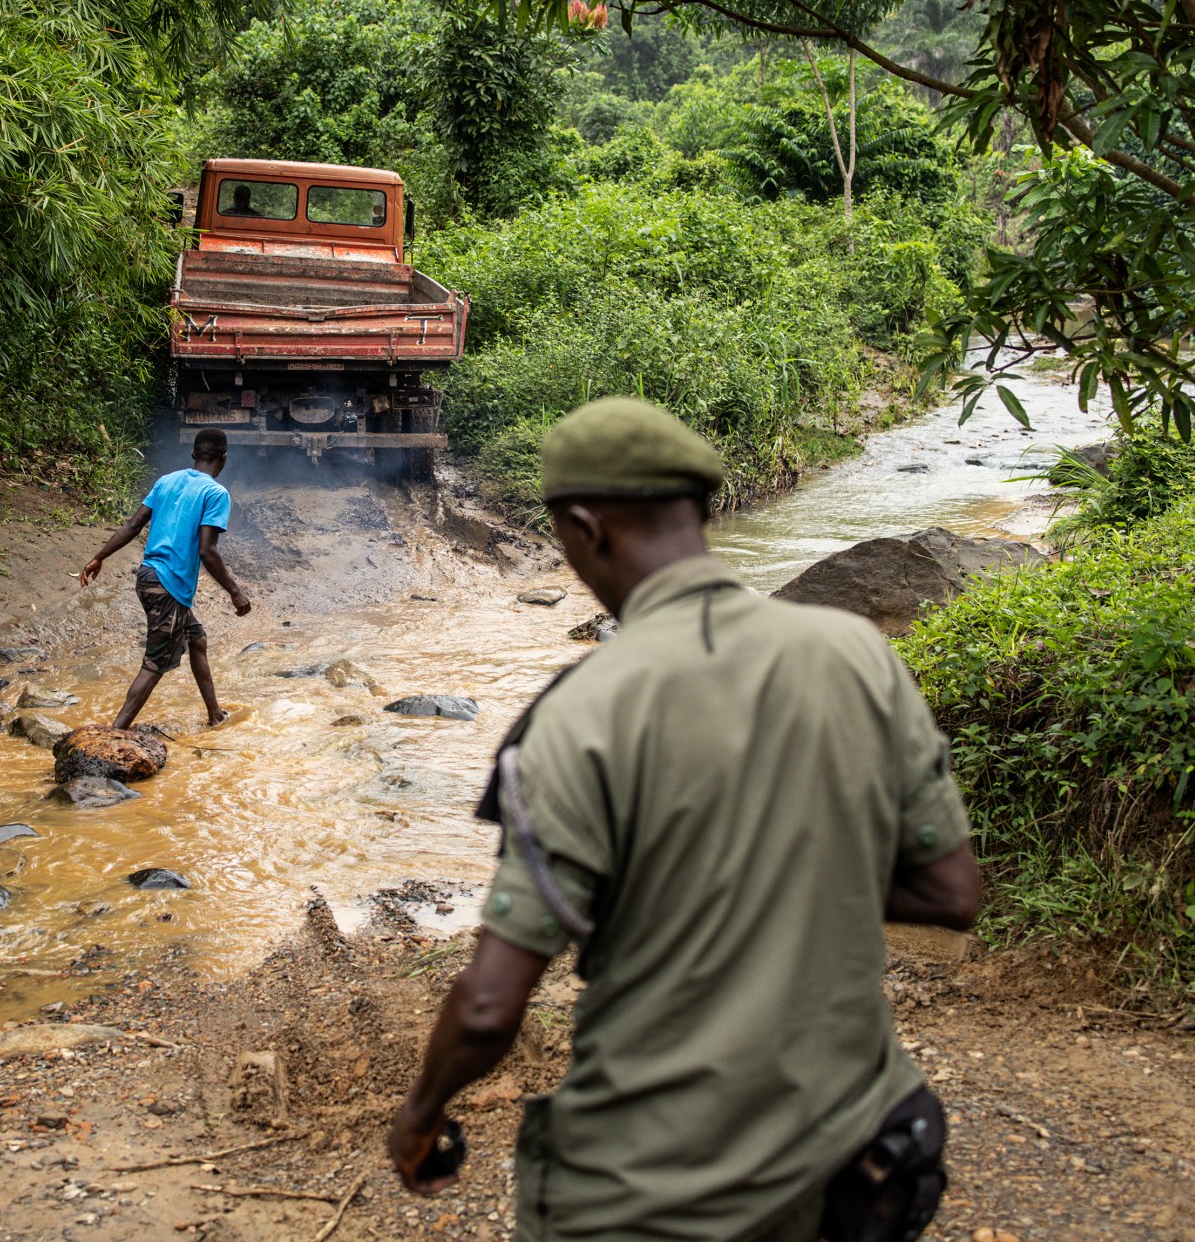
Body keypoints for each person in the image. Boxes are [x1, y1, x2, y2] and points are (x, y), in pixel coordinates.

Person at [386, 396, 982, 1242]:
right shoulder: (857, 656)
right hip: (857, 1143)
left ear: (588, 527)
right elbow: (953, 893)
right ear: (698, 510)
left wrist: (419, 1115)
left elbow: (488, 1009)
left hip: (656, 1186)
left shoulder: (578, 714)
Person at [78, 428, 251, 729]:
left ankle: (214, 714)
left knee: (196, 640)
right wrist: (235, 592)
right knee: (154, 665)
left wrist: (99, 557)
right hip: (169, 587)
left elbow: (133, 525)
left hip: (148, 577)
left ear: (194, 455)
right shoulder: (215, 493)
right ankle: (113, 733)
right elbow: (207, 551)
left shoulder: (166, 481)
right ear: (223, 458)